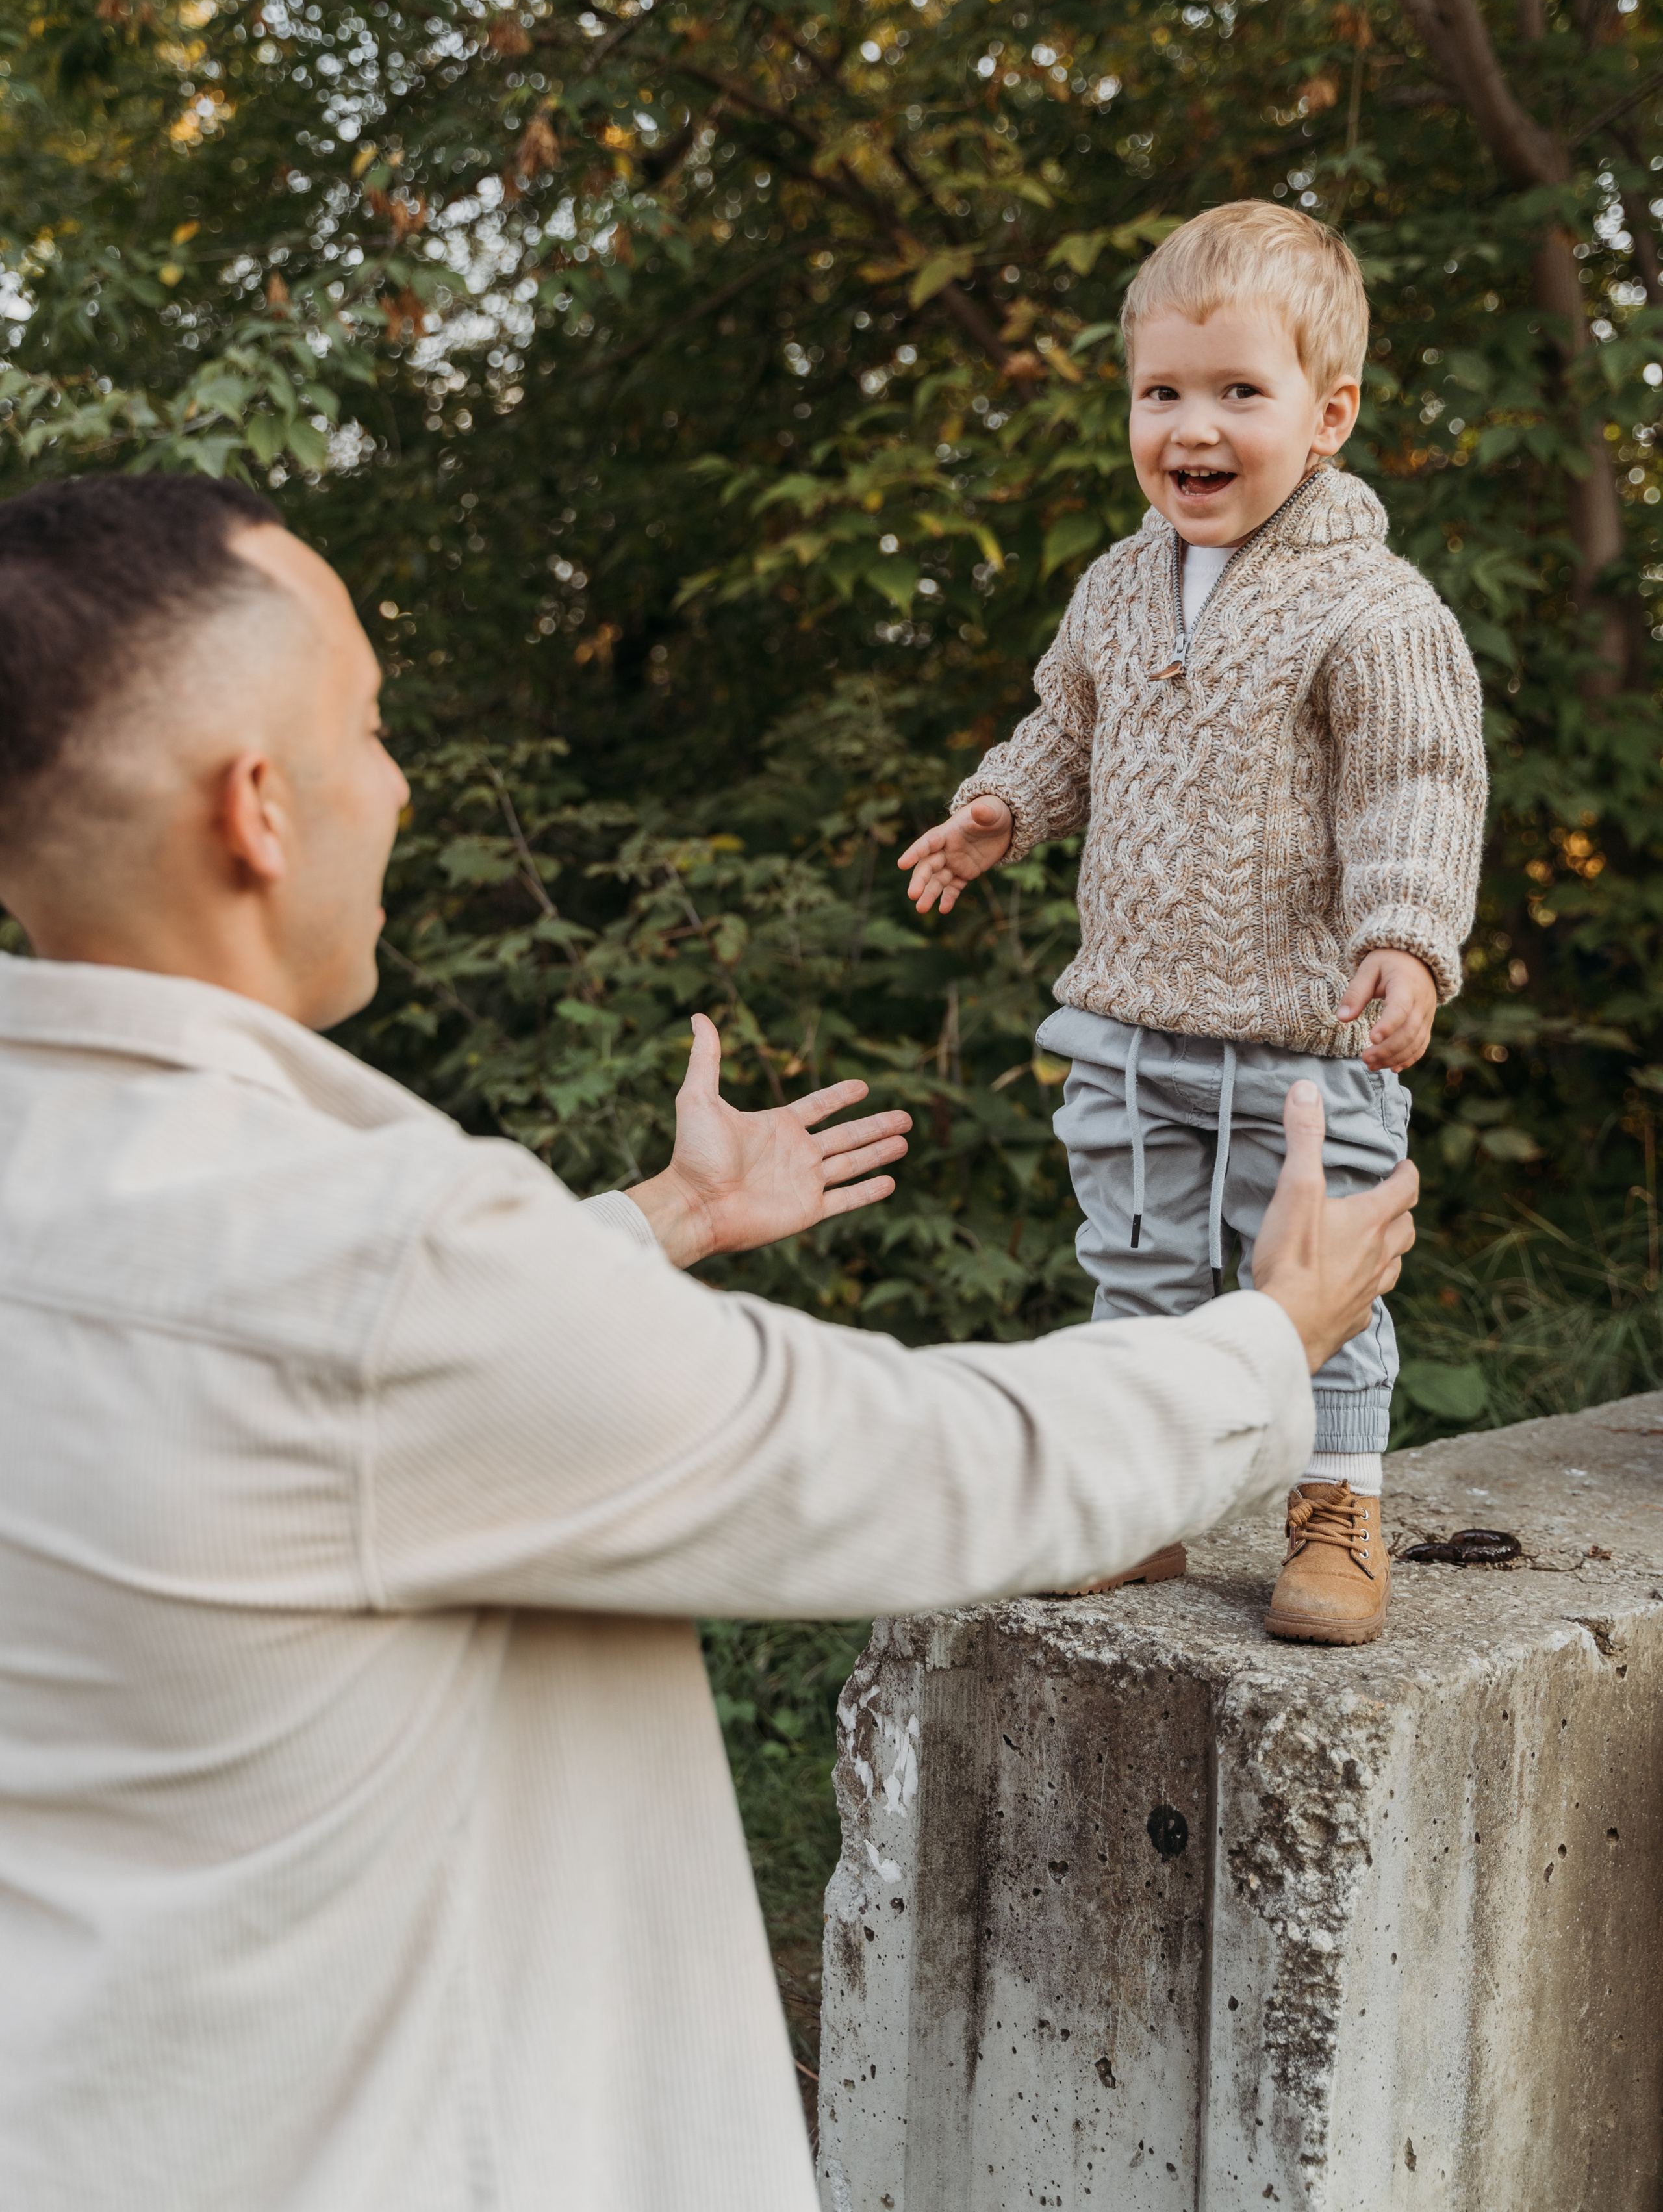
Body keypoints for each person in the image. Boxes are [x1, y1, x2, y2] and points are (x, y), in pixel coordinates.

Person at [0, 472, 1415, 2212]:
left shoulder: (154, 1217)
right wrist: (1274, 1338)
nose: (402, 782)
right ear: (260, 810)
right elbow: (922, 1471)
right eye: (369, 729)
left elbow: (267, 1395)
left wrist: (646, 1232)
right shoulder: (383, 1269)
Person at [900, 200, 1485, 1649]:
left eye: (1238, 391)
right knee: (1138, 1270)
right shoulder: (1117, 583)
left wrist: (1403, 940)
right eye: (1160, 393)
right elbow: (1065, 731)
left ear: (1326, 414)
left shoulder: (1371, 608)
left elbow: (1416, 785)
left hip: (1308, 1037)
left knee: (1321, 1279)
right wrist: (998, 813)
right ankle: (1138, 1505)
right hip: (1130, 1019)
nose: (1190, 427)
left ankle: (1333, 1507)